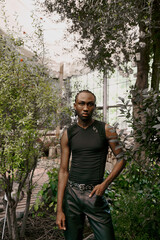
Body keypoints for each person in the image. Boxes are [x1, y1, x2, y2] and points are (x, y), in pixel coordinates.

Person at [56, 90, 125, 240]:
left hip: (94, 195)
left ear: (94, 107)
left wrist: (104, 184)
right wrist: (59, 208)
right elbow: (63, 171)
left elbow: (121, 159)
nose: (85, 108)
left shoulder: (106, 129)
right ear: (75, 106)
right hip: (72, 196)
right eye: (81, 103)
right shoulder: (68, 133)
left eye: (90, 104)